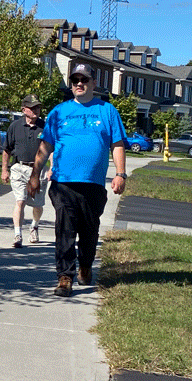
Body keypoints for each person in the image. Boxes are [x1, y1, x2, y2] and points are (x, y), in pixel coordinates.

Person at [29, 63, 127, 297]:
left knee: (89, 231)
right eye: (75, 81)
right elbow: (45, 146)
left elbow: (117, 144)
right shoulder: (58, 112)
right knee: (65, 229)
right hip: (63, 183)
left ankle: (85, 264)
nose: (79, 84)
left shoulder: (107, 111)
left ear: (93, 83)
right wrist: (35, 175)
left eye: (84, 80)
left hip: (93, 184)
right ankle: (65, 277)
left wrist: (120, 174)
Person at [1, 94, 48, 247]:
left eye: (38, 107)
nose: (36, 110)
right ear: (24, 109)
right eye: (33, 107)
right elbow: (7, 150)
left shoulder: (44, 126)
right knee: (20, 200)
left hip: (38, 170)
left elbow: (51, 149)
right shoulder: (15, 126)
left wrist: (52, 169)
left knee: (37, 205)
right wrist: (4, 170)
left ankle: (34, 225)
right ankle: (17, 234)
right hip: (19, 168)